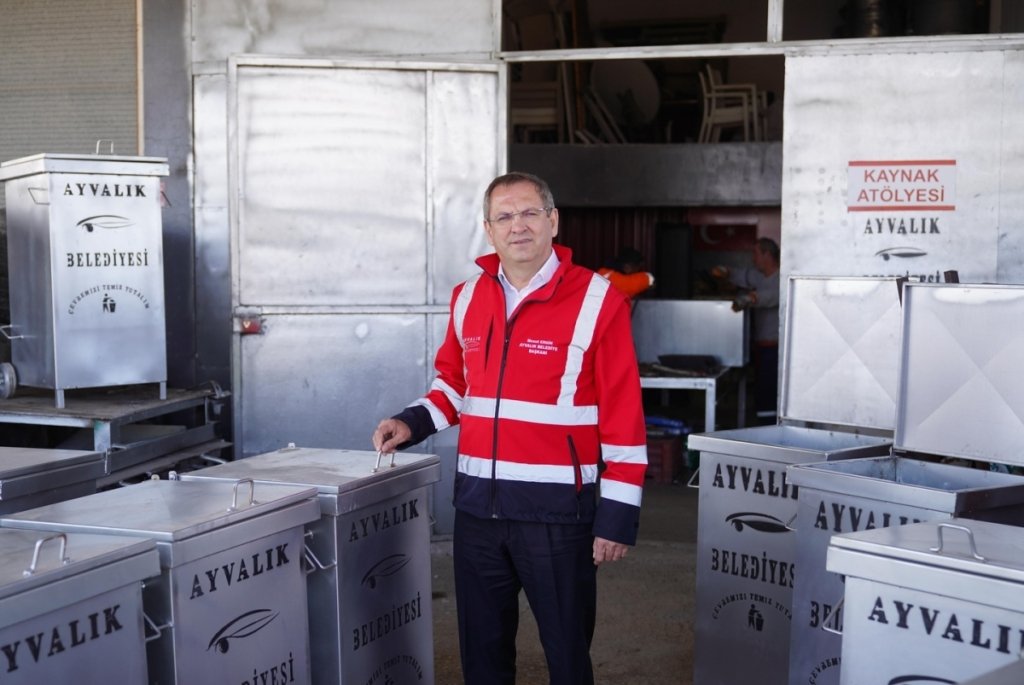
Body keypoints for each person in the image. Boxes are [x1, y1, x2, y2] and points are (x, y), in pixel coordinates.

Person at [372, 171, 647, 685]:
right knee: (483, 656)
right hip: (479, 510)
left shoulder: (597, 299)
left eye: (529, 213)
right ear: (488, 229)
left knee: (567, 655)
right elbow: (454, 386)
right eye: (504, 216)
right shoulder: (467, 297)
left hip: (557, 513)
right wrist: (410, 422)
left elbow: (623, 412)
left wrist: (617, 515)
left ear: (553, 221)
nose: (517, 225)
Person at [710, 237, 780, 424]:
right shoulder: (759, 276)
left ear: (767, 254)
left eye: (756, 254)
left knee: (769, 391)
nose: (753, 258)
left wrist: (749, 299)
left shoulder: (781, 278)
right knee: (762, 390)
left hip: (776, 349)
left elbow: (772, 297)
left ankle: (769, 428)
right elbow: (742, 275)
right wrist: (726, 271)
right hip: (761, 347)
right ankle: (764, 425)